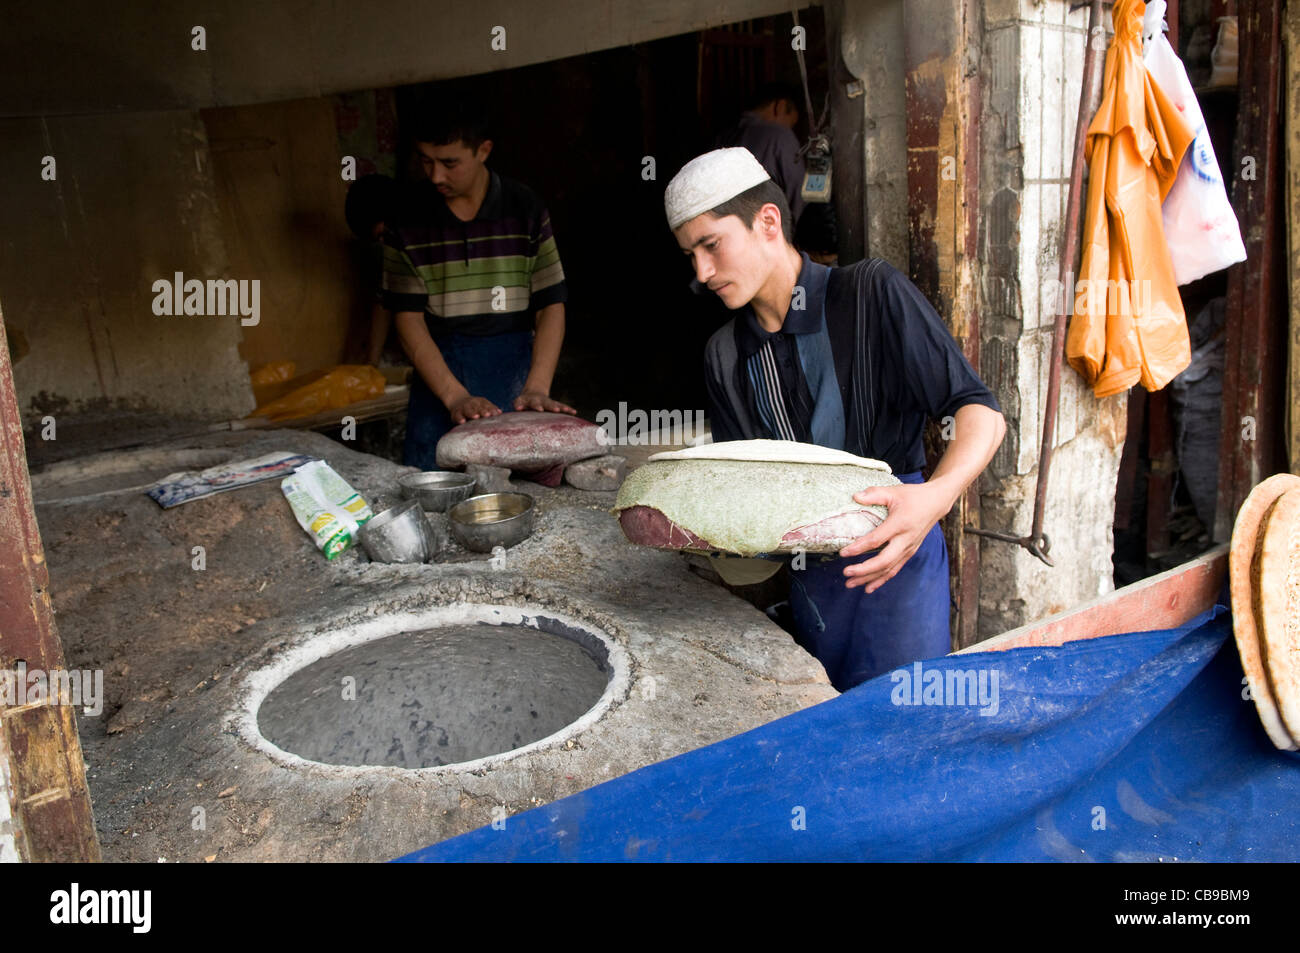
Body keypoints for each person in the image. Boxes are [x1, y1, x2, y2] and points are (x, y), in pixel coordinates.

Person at [664, 147, 1006, 691]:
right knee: (823, 725)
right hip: (809, 578)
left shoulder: (870, 293)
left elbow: (979, 411)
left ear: (768, 222)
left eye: (712, 245)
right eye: (690, 255)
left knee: (902, 732)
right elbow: (739, 485)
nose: (702, 272)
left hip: (898, 554)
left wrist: (935, 499)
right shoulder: (724, 355)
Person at [381, 104, 575, 470]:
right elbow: (406, 319)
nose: (436, 175)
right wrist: (455, 396)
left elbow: (551, 303)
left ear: (483, 150)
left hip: (513, 367)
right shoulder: (406, 219)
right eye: (426, 161)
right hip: (440, 372)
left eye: (449, 163)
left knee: (515, 487)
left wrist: (537, 388)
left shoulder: (525, 207)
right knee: (437, 484)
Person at [716, 82, 807, 228]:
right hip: (767, 233)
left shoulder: (723, 137)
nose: (790, 129)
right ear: (780, 107)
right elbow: (799, 193)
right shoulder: (780, 135)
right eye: (791, 124)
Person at [344, 173, 400, 366]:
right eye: (379, 240)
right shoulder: (394, 253)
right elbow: (383, 301)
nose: (384, 243)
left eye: (383, 235)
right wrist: (371, 363)